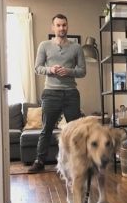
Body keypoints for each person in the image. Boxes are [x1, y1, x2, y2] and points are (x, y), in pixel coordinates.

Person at [28, 13, 86, 173]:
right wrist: (51, 69)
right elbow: (37, 68)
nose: (62, 28)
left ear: (67, 26)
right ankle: (39, 161)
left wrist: (67, 71)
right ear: (53, 27)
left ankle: (79, 162)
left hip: (71, 94)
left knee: (75, 130)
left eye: (64, 25)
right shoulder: (44, 45)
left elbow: (82, 71)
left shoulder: (76, 47)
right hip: (50, 93)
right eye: (58, 25)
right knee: (46, 129)